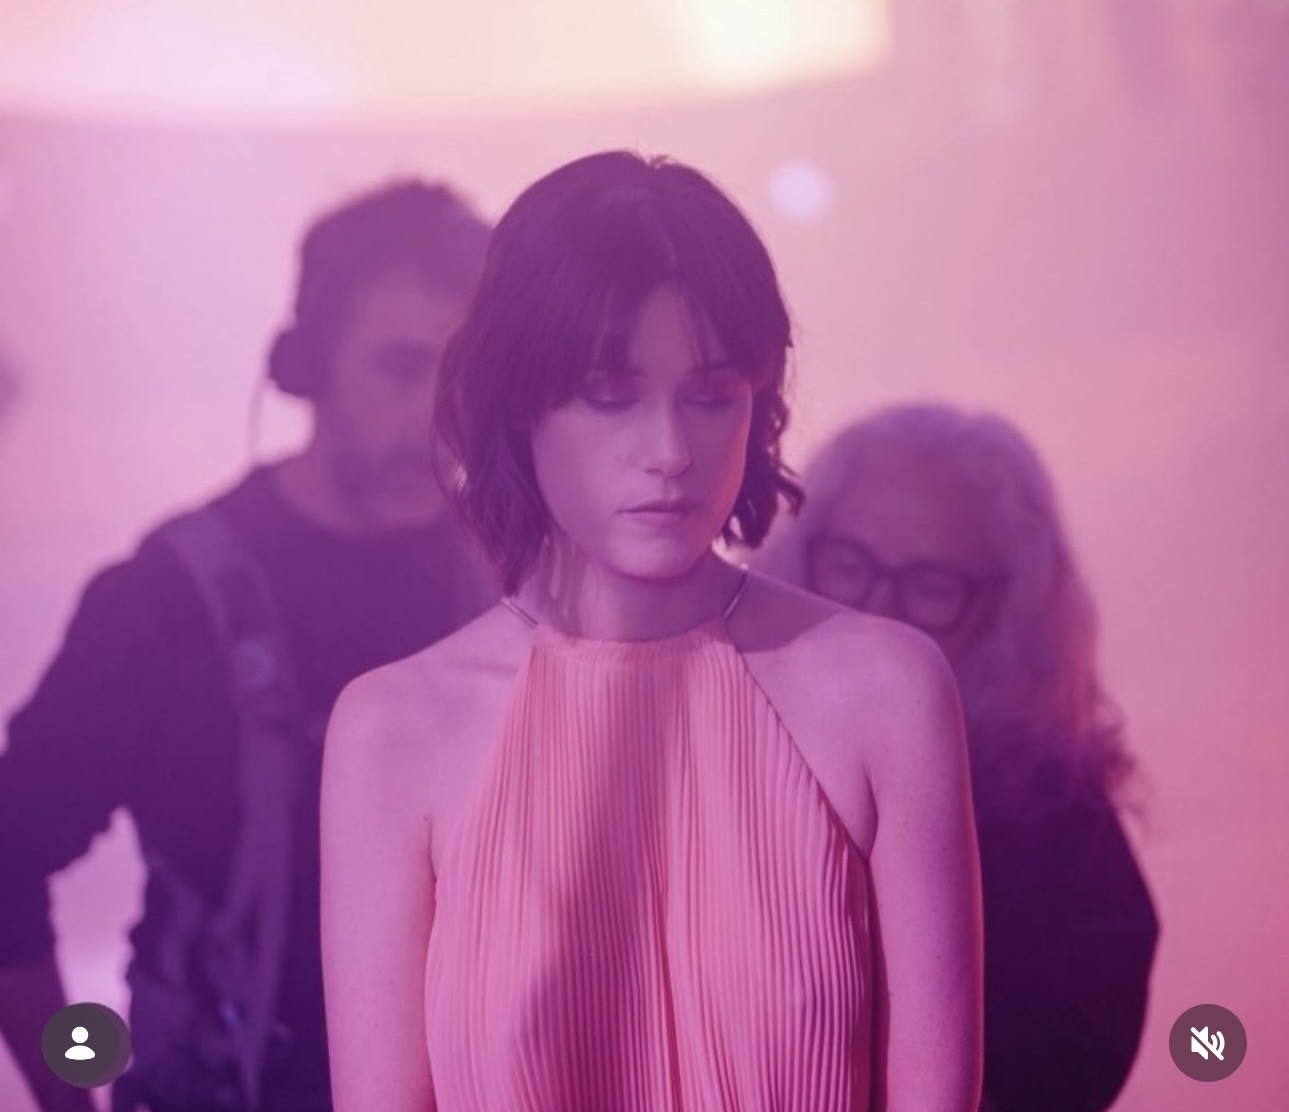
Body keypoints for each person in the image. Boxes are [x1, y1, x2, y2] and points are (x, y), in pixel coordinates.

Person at [320, 150, 984, 1112]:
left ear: (758, 403)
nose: (669, 452)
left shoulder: (882, 692)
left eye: (711, 394)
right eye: (609, 393)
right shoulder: (395, 731)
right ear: (516, 403)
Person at [0, 180, 496, 1112]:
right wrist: (71, 1088)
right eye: (399, 368)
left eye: (465, 372)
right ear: (305, 365)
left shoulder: (518, 578)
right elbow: (6, 858)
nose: (438, 413)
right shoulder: (162, 602)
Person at [753, 402, 1159, 1112]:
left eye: (931, 585)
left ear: (1009, 611)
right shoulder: (717, 722)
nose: (878, 610)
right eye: (849, 564)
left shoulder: (1066, 843)